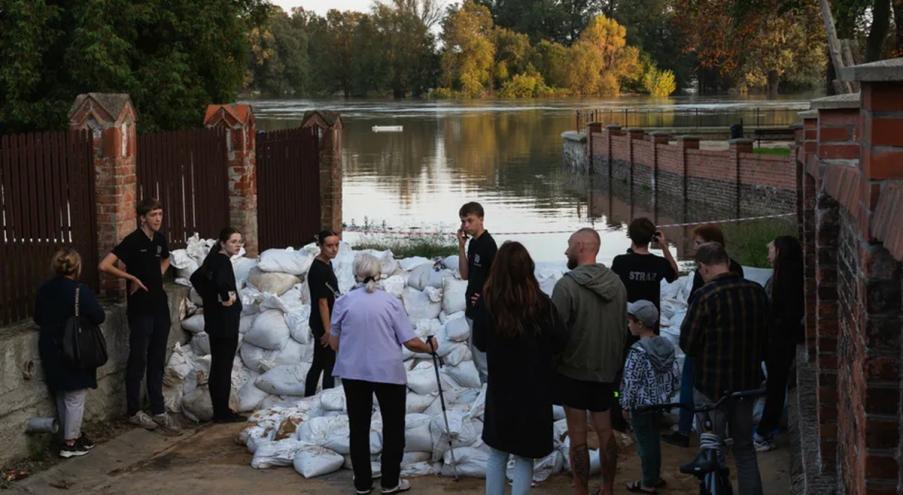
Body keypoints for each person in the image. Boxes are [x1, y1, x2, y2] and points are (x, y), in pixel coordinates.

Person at [329, 254, 438, 495]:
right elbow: (410, 342)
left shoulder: (343, 302)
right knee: (393, 426)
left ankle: (362, 483)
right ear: (379, 275)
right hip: (387, 372)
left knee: (358, 427)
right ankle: (390, 482)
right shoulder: (391, 302)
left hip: (354, 373)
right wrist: (430, 348)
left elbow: (334, 343)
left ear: (356, 274)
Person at [473, 241, 569, 495]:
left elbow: (479, 342)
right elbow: (560, 340)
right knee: (525, 457)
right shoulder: (541, 303)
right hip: (534, 390)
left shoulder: (489, 302)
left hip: (501, 389)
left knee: (497, 453)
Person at [679, 242, 768, 495]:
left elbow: (688, 343)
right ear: (727, 262)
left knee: (711, 448)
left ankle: (714, 488)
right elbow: (766, 338)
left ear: (703, 268)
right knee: (744, 447)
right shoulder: (756, 291)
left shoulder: (705, 296)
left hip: (711, 387)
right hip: (747, 384)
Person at [551, 228, 627, 495]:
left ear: (582, 246)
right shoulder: (617, 283)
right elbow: (622, 327)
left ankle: (580, 489)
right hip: (606, 370)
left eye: (570, 244)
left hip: (573, 370)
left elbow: (555, 331)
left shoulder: (567, 285)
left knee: (578, 435)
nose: (566, 250)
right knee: (605, 431)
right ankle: (608, 488)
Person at [99, 198, 180, 433]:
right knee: (138, 358)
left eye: (160, 214)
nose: (158, 218)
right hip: (140, 308)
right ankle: (134, 411)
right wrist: (131, 278)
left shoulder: (160, 240)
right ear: (142, 218)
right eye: (153, 214)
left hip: (160, 306)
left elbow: (166, 258)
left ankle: (159, 410)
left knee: (157, 358)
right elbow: (105, 265)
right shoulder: (133, 241)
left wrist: (157, 273)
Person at [663, 223, 745, 449]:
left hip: (707, 345)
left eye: (698, 243)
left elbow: (694, 310)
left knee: (691, 383)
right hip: (734, 346)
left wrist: (691, 341)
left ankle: (689, 432)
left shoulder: (704, 280)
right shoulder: (740, 275)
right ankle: (728, 435)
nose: (694, 247)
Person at [35, 249, 106, 458]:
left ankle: (70, 436)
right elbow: (98, 315)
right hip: (74, 346)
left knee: (61, 392)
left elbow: (38, 317)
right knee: (76, 394)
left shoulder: (44, 289)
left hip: (49, 344)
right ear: (77, 267)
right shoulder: (79, 291)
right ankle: (70, 442)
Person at [620, 300, 680, 494]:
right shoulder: (666, 346)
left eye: (630, 321)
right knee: (654, 441)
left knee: (645, 444)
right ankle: (654, 476)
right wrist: (665, 395)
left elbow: (630, 382)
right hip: (659, 404)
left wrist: (625, 405)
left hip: (641, 406)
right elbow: (674, 376)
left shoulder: (637, 352)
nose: (628, 324)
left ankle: (647, 483)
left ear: (640, 324)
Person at [754, 236, 803, 452]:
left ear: (781, 253)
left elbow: (786, 315)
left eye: (772, 250)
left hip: (779, 342)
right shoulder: (781, 278)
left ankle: (764, 432)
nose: (768, 254)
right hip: (776, 341)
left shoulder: (787, 282)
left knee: (775, 387)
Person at [196, 227, 245, 423]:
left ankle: (219, 410)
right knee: (223, 367)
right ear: (223, 243)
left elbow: (197, 278)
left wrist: (211, 299)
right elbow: (224, 285)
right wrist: (224, 298)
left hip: (214, 321)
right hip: (226, 323)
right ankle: (223, 412)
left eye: (239, 241)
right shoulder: (223, 261)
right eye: (233, 241)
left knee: (217, 366)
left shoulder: (213, 258)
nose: (237, 245)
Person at [456, 201, 497, 385]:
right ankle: (485, 391)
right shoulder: (473, 244)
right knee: (475, 354)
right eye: (463, 221)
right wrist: (461, 246)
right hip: (471, 308)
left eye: (469, 221)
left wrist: (485, 297)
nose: (466, 225)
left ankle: (489, 394)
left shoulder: (489, 245)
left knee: (482, 356)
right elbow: (465, 275)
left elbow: (498, 278)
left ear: (481, 219)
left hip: (484, 310)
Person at [610, 217, 678, 311]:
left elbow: (611, 287)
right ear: (651, 238)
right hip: (651, 320)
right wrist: (664, 246)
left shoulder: (620, 261)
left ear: (631, 236)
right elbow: (674, 275)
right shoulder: (660, 263)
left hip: (628, 318)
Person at [304, 230, 340, 397]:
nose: (334, 249)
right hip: (322, 321)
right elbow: (322, 302)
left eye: (336, 245)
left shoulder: (327, 264)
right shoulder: (319, 269)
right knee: (329, 363)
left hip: (326, 319)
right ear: (320, 246)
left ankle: (310, 396)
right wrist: (328, 330)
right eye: (329, 246)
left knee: (319, 362)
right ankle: (326, 398)